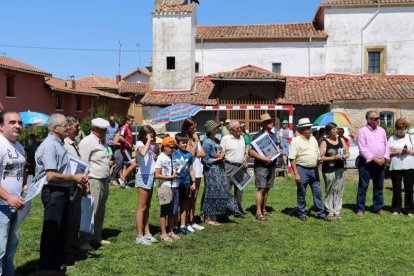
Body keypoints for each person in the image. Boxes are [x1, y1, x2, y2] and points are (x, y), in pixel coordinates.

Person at [35, 114, 88, 272]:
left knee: (60, 230)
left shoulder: (58, 143)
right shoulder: (50, 145)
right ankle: (45, 266)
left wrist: (75, 179)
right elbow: (51, 175)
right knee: (52, 231)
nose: (68, 128)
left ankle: (56, 263)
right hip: (53, 192)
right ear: (55, 128)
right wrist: (73, 177)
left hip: (61, 191)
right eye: (65, 126)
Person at [79, 118, 111, 249]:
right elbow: (83, 163)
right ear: (94, 129)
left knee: (100, 210)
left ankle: (96, 237)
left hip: (103, 179)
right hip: (93, 179)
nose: (104, 132)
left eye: (105, 130)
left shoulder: (102, 141)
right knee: (91, 210)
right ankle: (84, 240)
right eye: (101, 130)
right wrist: (84, 182)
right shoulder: (87, 142)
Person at [0, 111, 26, 275]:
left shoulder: (19, 146)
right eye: (12, 122)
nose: (18, 125)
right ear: (1, 126)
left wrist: (24, 187)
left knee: (9, 252)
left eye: (20, 122)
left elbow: (16, 172)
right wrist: (8, 196)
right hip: (1, 207)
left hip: (15, 206)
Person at [289, 118, 328, 222]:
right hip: (302, 169)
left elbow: (317, 152)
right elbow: (292, 158)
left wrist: (319, 159)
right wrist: (296, 173)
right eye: (307, 128)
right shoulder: (295, 141)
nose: (309, 129)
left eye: (310, 127)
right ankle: (302, 212)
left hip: (314, 169)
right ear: (301, 129)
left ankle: (320, 213)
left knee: (317, 192)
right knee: (302, 192)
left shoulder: (313, 139)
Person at [202, 121, 240, 225]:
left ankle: (219, 214)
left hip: (219, 169)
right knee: (211, 193)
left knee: (221, 192)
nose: (218, 128)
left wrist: (221, 154)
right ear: (211, 130)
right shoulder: (206, 142)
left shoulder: (217, 140)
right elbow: (205, 160)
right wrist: (219, 158)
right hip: (211, 171)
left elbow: (221, 152)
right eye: (216, 127)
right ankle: (208, 217)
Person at [356, 111, 389, 217]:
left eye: (378, 118)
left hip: (380, 162)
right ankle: (360, 209)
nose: (377, 120)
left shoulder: (382, 130)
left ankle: (378, 207)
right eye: (375, 118)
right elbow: (362, 148)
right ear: (368, 119)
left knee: (379, 186)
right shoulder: (362, 131)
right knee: (363, 186)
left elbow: (386, 145)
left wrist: (385, 157)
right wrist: (374, 158)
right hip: (366, 162)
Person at [62, 115, 85, 264]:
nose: (78, 129)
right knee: (68, 222)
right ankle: (67, 253)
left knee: (75, 220)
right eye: (76, 126)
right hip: (68, 186)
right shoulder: (63, 144)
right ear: (68, 127)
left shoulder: (74, 143)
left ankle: (74, 248)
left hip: (77, 185)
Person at [250, 113, 278, 221]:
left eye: (272, 121)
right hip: (261, 166)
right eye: (269, 122)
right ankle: (258, 212)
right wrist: (264, 159)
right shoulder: (258, 136)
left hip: (272, 165)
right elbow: (252, 152)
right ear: (264, 124)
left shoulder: (274, 135)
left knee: (267, 188)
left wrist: (278, 151)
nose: (272, 123)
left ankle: (264, 209)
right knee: (261, 188)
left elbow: (274, 149)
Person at [319, 122, 349, 219]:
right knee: (330, 189)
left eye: (336, 129)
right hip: (329, 169)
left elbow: (347, 152)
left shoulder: (341, 139)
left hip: (340, 168)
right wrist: (334, 158)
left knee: (339, 189)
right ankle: (329, 210)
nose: (336, 131)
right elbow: (320, 157)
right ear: (328, 131)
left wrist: (345, 156)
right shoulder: (324, 142)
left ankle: (337, 209)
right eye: (333, 129)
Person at [134, 125, 158, 245]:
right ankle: (139, 235)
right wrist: (149, 141)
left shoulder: (147, 145)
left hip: (150, 176)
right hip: (143, 176)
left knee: (147, 207)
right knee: (141, 207)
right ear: (145, 135)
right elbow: (142, 153)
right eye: (150, 136)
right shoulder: (139, 143)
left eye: (153, 136)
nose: (152, 138)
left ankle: (147, 232)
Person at [154, 137, 181, 242]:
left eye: (174, 147)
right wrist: (170, 177)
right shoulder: (161, 158)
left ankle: (170, 231)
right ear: (164, 147)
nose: (172, 149)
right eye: (170, 147)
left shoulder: (174, 155)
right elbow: (157, 175)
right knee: (164, 211)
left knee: (173, 211)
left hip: (175, 186)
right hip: (165, 187)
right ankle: (163, 233)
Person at [181, 117, 205, 232]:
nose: (194, 129)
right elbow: (190, 154)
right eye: (192, 128)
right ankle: (186, 222)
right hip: (190, 170)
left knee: (195, 196)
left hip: (198, 169)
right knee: (189, 197)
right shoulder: (185, 138)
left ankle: (192, 220)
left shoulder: (196, 138)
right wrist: (195, 143)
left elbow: (203, 153)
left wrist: (196, 143)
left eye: (195, 127)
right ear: (187, 128)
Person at [221, 120, 248, 217]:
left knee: (239, 190)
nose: (240, 129)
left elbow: (244, 152)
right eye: (238, 128)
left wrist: (245, 161)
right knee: (226, 189)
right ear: (231, 130)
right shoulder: (225, 139)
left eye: (240, 127)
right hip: (228, 166)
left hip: (240, 167)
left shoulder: (242, 138)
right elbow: (221, 154)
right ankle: (224, 211)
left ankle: (238, 211)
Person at [387, 118, 414, 216]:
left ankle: (409, 209)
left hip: (409, 166)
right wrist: (396, 152)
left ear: (405, 128)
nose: (401, 131)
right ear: (396, 129)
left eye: (402, 129)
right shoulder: (391, 138)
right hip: (396, 167)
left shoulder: (411, 137)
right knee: (396, 188)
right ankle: (396, 208)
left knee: (409, 189)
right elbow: (387, 153)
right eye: (399, 129)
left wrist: (408, 152)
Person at [173, 133, 196, 234]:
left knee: (184, 204)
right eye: (183, 143)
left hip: (186, 182)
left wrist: (193, 181)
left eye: (186, 142)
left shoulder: (189, 155)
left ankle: (183, 225)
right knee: (175, 205)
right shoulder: (173, 154)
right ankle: (174, 225)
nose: (185, 144)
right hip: (176, 183)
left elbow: (191, 169)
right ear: (177, 143)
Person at [118, 115, 135, 188]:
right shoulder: (124, 127)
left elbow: (129, 138)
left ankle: (124, 184)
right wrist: (128, 143)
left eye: (132, 121)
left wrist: (132, 145)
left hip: (129, 149)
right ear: (127, 121)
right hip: (125, 149)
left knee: (126, 166)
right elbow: (120, 137)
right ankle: (122, 179)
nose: (132, 122)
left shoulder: (129, 128)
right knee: (133, 164)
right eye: (131, 121)